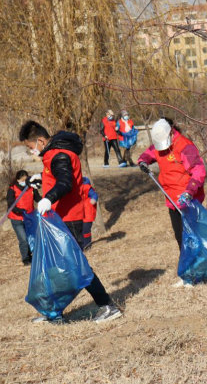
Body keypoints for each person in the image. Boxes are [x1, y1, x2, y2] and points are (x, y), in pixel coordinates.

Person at [19, 121, 122, 324]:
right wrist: (40, 178)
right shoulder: (54, 155)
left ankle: (107, 306)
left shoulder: (60, 155)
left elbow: (65, 182)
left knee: (76, 266)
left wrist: (48, 198)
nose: (32, 151)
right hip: (59, 217)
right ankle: (53, 312)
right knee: (56, 266)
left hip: (69, 218)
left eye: (31, 147)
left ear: (40, 141)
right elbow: (59, 177)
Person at [137, 118, 206, 288]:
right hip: (171, 198)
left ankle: (198, 273)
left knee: (191, 237)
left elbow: (199, 170)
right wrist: (143, 161)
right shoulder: (159, 144)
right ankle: (187, 273)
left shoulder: (185, 146)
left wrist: (189, 191)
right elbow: (149, 153)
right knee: (180, 236)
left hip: (188, 198)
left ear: (171, 132)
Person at [6, 170, 41, 265]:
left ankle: (32, 256)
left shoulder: (31, 188)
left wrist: (45, 200)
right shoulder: (12, 189)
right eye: (22, 180)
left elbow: (37, 198)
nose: (24, 181)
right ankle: (25, 259)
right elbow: (11, 204)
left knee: (31, 237)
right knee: (23, 239)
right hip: (17, 218)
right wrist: (20, 210)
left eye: (26, 180)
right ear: (17, 180)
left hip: (29, 217)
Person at [80, 177, 98, 250]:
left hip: (88, 213)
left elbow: (94, 195)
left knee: (86, 230)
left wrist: (94, 199)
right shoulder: (75, 188)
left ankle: (87, 245)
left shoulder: (86, 187)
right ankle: (81, 245)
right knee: (80, 230)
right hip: (79, 214)